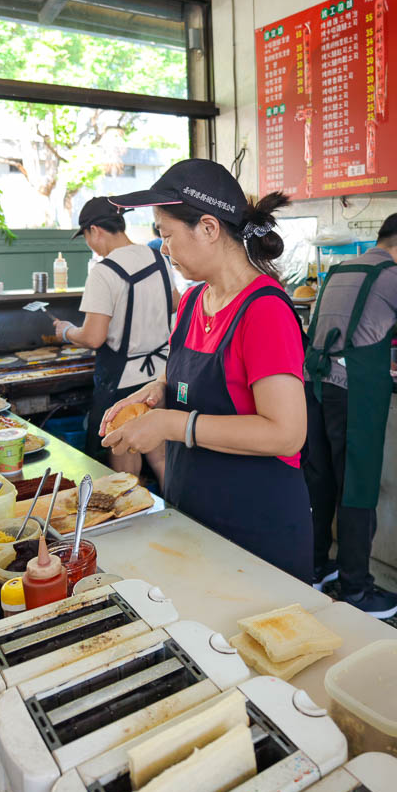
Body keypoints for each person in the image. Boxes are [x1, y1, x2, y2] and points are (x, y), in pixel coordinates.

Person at [100, 159, 312, 582]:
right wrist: (152, 393)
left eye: (167, 235)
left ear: (210, 228)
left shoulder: (264, 311)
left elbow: (286, 433)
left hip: (256, 529)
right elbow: (180, 377)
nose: (163, 247)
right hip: (194, 514)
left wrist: (172, 424)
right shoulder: (193, 302)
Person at [303, 212, 397, 618]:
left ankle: (317, 566)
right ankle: (356, 590)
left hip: (313, 384)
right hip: (353, 390)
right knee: (356, 488)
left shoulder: (338, 270)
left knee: (319, 480)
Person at [53, 196, 178, 473]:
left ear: (94, 230)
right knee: (160, 455)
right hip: (160, 375)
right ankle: (176, 515)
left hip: (123, 382)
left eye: (86, 236)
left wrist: (67, 332)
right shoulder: (159, 258)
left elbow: (94, 337)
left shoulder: (104, 272)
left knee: (125, 458)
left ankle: (131, 515)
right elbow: (175, 303)